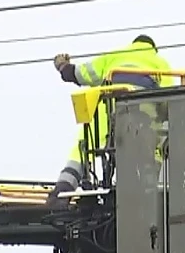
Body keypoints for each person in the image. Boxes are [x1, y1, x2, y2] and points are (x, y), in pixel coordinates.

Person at [47, 35, 173, 206]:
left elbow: (80, 74)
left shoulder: (114, 56)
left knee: (83, 147)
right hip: (144, 122)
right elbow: (170, 101)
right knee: (153, 154)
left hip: (108, 112)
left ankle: (61, 192)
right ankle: (149, 201)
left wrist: (64, 66)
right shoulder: (160, 63)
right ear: (153, 48)